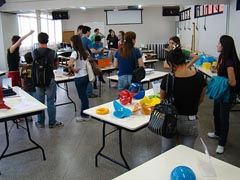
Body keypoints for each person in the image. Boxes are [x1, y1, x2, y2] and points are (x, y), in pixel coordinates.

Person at [160, 46, 206, 153]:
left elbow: (162, 100)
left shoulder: (168, 79)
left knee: (167, 153)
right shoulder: (200, 77)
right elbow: (201, 99)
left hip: (170, 120)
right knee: (187, 154)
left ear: (171, 64)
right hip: (191, 120)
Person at [207, 35, 240, 154]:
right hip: (220, 92)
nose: (217, 45)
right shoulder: (222, 57)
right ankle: (217, 133)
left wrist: (220, 81)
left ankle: (222, 142)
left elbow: (232, 81)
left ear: (224, 46)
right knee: (216, 113)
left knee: (224, 117)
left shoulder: (229, 61)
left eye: (219, 43)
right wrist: (215, 70)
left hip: (226, 93)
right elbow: (221, 71)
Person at [33, 32, 63, 128]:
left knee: (40, 101)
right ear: (48, 40)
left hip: (38, 79)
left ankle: (40, 122)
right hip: (49, 78)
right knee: (50, 101)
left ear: (38, 40)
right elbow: (56, 65)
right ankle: (52, 122)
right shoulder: (53, 52)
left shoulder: (34, 52)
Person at [68, 35, 91, 122]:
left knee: (82, 97)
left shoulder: (75, 53)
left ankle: (84, 115)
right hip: (85, 76)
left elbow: (69, 64)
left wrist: (73, 70)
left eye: (71, 42)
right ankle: (87, 112)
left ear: (74, 42)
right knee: (84, 96)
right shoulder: (85, 52)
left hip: (79, 77)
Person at [81, 25, 105, 98]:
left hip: (81, 60)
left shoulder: (80, 39)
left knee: (85, 75)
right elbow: (92, 50)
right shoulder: (87, 40)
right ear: (87, 32)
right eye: (89, 32)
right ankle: (89, 93)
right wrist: (99, 50)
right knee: (91, 76)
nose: (90, 33)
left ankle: (85, 91)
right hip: (88, 59)